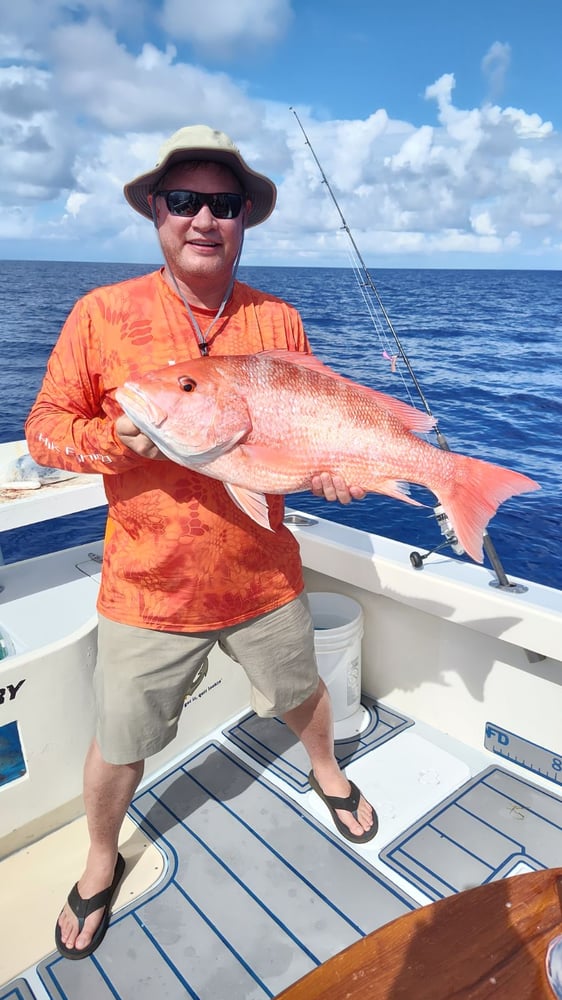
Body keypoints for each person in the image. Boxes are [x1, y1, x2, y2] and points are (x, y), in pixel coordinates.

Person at [25, 124, 377, 961]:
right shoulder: (100, 315)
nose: (203, 219)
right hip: (149, 586)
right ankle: (102, 856)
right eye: (184, 201)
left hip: (264, 574)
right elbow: (43, 430)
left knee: (304, 695)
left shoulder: (278, 319)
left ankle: (327, 773)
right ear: (156, 210)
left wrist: (331, 469)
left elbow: (304, 429)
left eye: (223, 204)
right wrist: (116, 443)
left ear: (244, 218)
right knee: (121, 740)